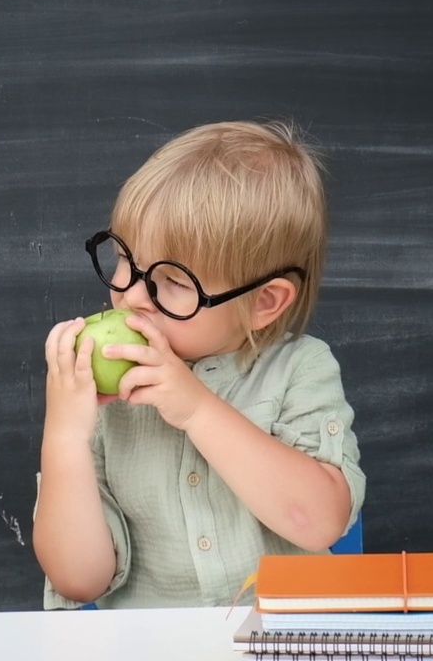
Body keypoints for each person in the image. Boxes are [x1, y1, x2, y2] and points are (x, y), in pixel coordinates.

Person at [33, 120, 365, 610]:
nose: (128, 295)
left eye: (171, 281)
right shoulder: (100, 399)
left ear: (263, 303)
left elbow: (318, 521)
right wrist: (64, 435)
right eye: (124, 259)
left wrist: (197, 410)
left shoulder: (300, 370)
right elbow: (79, 580)